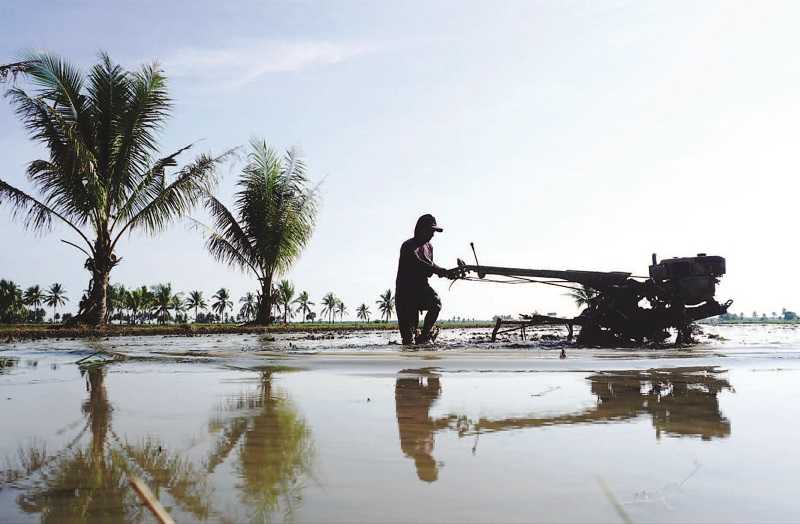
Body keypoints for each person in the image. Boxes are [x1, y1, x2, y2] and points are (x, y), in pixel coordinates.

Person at [395, 214, 454, 345]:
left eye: (434, 231)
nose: (433, 235)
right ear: (421, 229)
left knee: (436, 303)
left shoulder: (429, 248)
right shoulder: (408, 246)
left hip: (421, 290)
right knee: (408, 340)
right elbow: (418, 263)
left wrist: (445, 272)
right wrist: (440, 271)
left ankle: (425, 335)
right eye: (430, 231)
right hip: (405, 294)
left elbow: (428, 271)